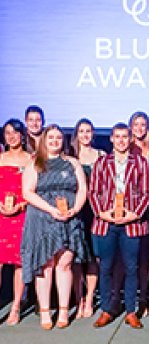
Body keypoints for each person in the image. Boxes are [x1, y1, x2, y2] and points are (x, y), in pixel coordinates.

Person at [21, 124, 89, 330]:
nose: (54, 141)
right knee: (46, 265)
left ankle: (63, 310)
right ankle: (44, 312)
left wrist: (75, 209)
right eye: (50, 138)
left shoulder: (73, 163)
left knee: (65, 264)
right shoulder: (35, 163)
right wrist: (51, 209)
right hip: (42, 218)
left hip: (69, 219)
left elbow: (82, 189)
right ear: (44, 140)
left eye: (58, 138)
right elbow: (28, 192)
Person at [90, 122, 149, 329]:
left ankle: (131, 311)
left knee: (131, 268)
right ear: (111, 139)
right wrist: (103, 213)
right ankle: (107, 309)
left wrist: (134, 214)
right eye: (117, 137)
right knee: (106, 267)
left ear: (130, 139)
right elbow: (93, 192)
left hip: (132, 223)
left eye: (125, 137)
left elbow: (146, 192)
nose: (121, 140)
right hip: (106, 223)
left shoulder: (140, 162)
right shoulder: (101, 163)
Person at [69, 118, 106, 318]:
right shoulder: (69, 156)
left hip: (96, 211)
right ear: (77, 134)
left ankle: (90, 297)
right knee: (75, 257)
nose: (85, 135)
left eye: (88, 131)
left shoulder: (102, 156)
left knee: (93, 256)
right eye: (81, 131)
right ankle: (78, 298)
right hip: (75, 210)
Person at [0, 119, 31, 325]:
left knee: (19, 262)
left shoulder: (31, 160)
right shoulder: (0, 158)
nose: (11, 137)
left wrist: (20, 205)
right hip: (1, 215)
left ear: (22, 135)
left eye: (15, 133)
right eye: (7, 133)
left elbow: (36, 190)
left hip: (22, 215)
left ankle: (16, 307)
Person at [129, 111, 149, 318]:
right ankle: (127, 299)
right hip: (129, 211)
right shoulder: (125, 149)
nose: (139, 128)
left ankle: (143, 299)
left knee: (147, 258)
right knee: (129, 258)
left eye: (143, 124)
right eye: (136, 124)